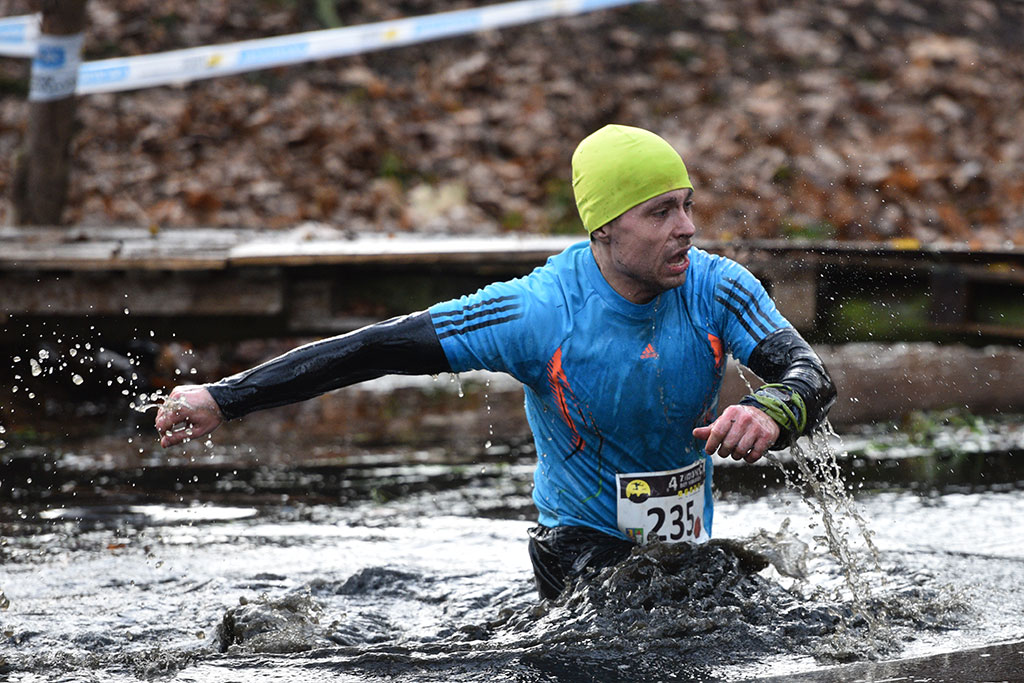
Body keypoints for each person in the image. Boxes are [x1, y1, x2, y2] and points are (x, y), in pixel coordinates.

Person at [155, 124, 835, 600]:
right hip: (577, 552)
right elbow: (374, 347)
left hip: (677, 550)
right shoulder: (538, 311)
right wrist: (224, 397)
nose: (686, 226)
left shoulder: (717, 286)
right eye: (660, 212)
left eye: (687, 205)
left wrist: (771, 409)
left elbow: (810, 375)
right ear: (603, 227)